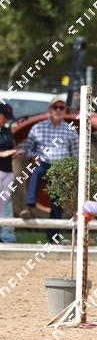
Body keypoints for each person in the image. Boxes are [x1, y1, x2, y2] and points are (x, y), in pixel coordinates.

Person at [18, 96, 79, 243]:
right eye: (55, 107)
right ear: (50, 110)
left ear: (65, 110)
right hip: (43, 164)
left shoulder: (70, 130)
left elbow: (76, 153)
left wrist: (72, 169)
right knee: (37, 171)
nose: (58, 110)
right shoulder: (37, 128)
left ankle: (52, 237)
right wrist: (33, 157)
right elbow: (27, 149)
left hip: (61, 167)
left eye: (61, 108)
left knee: (57, 203)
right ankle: (29, 206)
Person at [0, 104, 17, 243]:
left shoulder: (7, 130)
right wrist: (2, 154)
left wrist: (15, 153)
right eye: (5, 116)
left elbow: (12, 146)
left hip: (8, 171)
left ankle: (6, 236)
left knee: (5, 204)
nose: (7, 119)